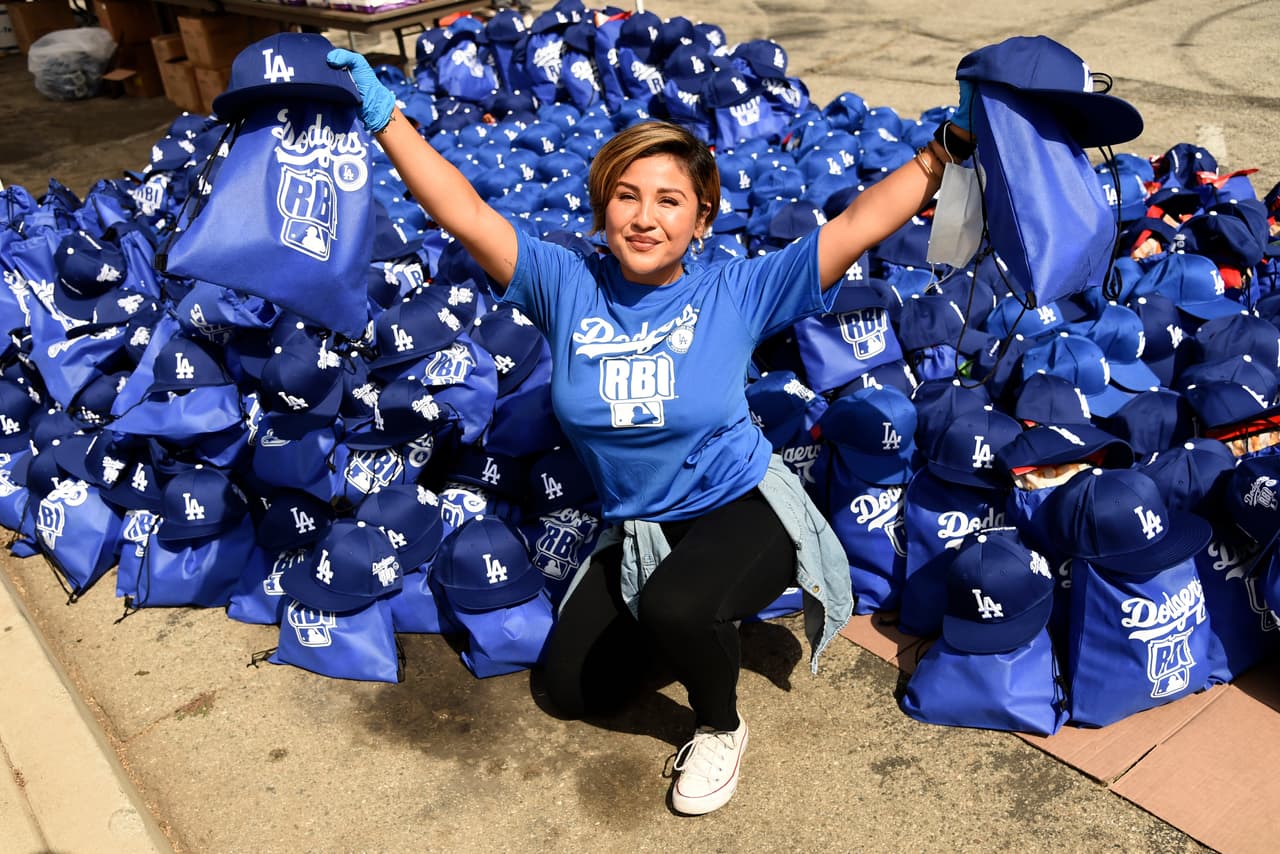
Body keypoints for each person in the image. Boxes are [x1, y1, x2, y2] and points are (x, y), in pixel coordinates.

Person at [328, 46, 975, 815]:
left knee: (676, 607)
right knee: (571, 690)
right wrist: (385, 118)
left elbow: (861, 221)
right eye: (626, 196)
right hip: (639, 526)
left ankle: (720, 723)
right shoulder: (564, 284)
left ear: (701, 220)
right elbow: (464, 211)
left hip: (744, 507)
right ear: (603, 211)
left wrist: (945, 150)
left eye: (670, 200)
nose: (645, 216)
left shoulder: (739, 289)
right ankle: (692, 615)